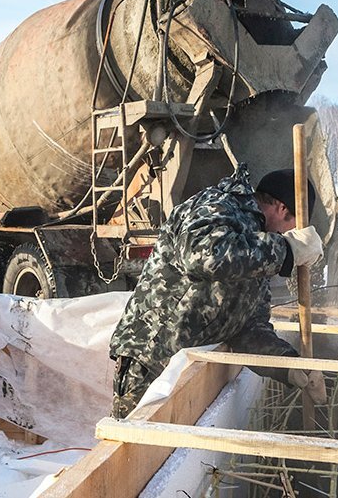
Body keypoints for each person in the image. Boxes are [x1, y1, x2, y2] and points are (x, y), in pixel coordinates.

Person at [109, 165, 326, 419]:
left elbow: (248, 328)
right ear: (282, 208)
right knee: (134, 452)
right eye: (291, 229)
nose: (285, 236)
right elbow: (202, 256)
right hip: (152, 360)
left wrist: (288, 365)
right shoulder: (220, 206)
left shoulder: (258, 244)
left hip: (187, 368)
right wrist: (285, 250)